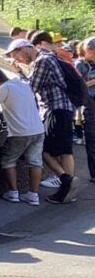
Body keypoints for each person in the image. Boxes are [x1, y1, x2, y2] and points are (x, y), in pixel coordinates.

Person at [8, 38, 82, 203]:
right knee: (65, 150)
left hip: (54, 109)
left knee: (43, 149)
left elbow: (30, 88)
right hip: (65, 108)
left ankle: (66, 180)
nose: (18, 60)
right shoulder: (49, 57)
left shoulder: (42, 61)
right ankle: (67, 190)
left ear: (23, 49)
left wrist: (19, 72)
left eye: (16, 56)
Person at [0, 68, 45, 206]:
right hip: (37, 129)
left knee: (8, 160)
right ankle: (33, 195)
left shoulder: (5, 88)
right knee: (36, 162)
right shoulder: (23, 84)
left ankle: (13, 193)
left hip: (19, 132)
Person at [74, 37, 95, 182]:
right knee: (92, 140)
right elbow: (78, 87)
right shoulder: (79, 65)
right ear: (89, 50)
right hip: (90, 104)